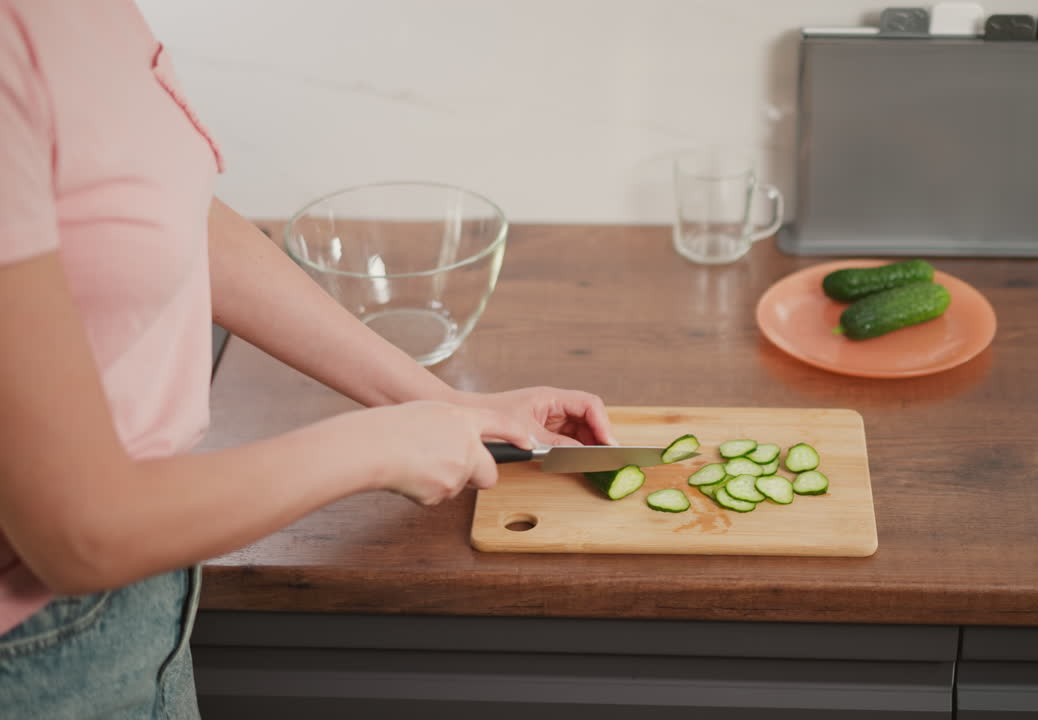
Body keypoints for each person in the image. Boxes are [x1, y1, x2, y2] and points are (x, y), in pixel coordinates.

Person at [0, 2, 616, 717]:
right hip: (36, 653)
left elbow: (153, 215)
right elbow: (83, 532)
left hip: (146, 586)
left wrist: (442, 402)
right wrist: (377, 448)